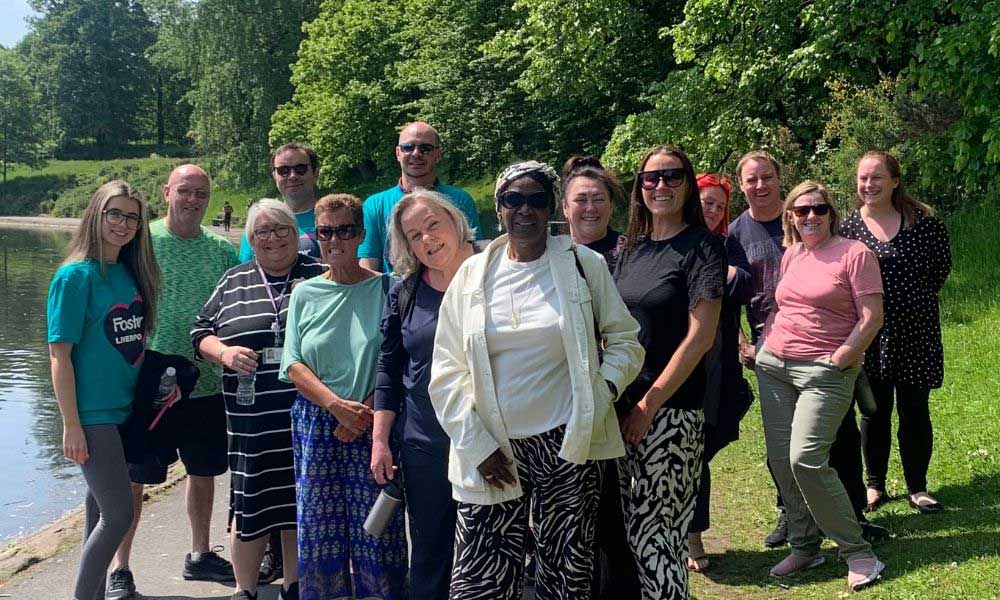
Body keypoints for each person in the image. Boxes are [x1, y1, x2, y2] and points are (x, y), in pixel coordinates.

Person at [429, 161, 643, 598]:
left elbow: (626, 342)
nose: (524, 210)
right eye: (513, 200)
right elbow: (446, 371)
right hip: (492, 447)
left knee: (565, 575)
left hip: (566, 444)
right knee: (479, 579)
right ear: (498, 208)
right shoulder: (471, 275)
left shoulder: (584, 264)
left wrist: (599, 395)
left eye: (536, 200)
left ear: (552, 209)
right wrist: (475, 444)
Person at [728, 151, 886, 548]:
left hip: (824, 361)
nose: (809, 215)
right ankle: (798, 524)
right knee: (783, 453)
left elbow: (870, 315)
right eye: (752, 179)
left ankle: (851, 520)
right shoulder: (746, 237)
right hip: (773, 353)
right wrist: (750, 345)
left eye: (817, 208)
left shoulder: (848, 250)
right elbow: (737, 295)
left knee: (835, 442)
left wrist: (843, 355)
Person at [108, 165, 239, 600]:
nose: (193, 199)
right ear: (167, 193)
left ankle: (199, 554)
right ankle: (120, 569)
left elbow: (234, 308)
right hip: (148, 383)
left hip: (205, 382)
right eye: (185, 191)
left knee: (203, 472)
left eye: (201, 192)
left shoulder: (222, 250)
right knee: (136, 478)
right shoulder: (141, 242)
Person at [192, 200, 327, 600]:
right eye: (263, 232)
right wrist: (225, 354)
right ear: (251, 239)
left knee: (298, 499)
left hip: (307, 413)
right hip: (250, 417)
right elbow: (200, 332)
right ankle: (244, 590)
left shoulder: (318, 275)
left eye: (281, 229)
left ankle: (295, 584)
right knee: (251, 500)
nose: (273, 238)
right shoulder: (234, 280)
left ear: (296, 234)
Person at [280, 194, 407, 600]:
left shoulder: (389, 288)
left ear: (361, 235)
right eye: (326, 232)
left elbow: (400, 361)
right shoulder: (304, 293)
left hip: (375, 423)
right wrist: (336, 407)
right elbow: (293, 363)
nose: (335, 240)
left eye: (345, 231)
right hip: (318, 423)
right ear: (315, 235)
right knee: (319, 531)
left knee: (378, 529)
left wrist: (363, 414)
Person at [613, 146, 726, 599]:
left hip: (670, 413)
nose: (660, 186)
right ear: (639, 187)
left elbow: (700, 337)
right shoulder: (631, 250)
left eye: (672, 177)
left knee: (657, 537)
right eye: (650, 178)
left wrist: (649, 404)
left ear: (687, 183)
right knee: (627, 532)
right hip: (621, 410)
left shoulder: (702, 247)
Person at [48, 180, 161, 600]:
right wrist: (70, 425)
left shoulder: (129, 274)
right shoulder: (75, 277)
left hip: (124, 413)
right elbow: (60, 357)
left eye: (132, 217)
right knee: (118, 515)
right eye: (114, 213)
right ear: (96, 215)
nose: (123, 224)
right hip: (92, 416)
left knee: (100, 513)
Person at [369, 189, 477, 600]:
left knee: (490, 550)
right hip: (426, 443)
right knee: (430, 553)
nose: (428, 240)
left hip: (493, 439)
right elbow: (389, 369)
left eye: (433, 225)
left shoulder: (498, 272)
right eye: (415, 235)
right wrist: (381, 441)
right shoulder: (406, 291)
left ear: (455, 220)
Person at [840, 151, 952, 514]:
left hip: (917, 332)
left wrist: (910, 303)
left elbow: (940, 270)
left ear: (895, 181)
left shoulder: (924, 223)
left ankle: (917, 486)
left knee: (915, 409)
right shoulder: (847, 229)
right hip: (870, 335)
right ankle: (875, 485)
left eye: (876, 178)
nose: (868, 185)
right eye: (863, 178)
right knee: (874, 411)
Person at [560, 155, 639, 599]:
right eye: (580, 200)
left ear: (613, 205)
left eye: (598, 199)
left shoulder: (629, 252)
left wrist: (610, 384)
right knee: (570, 515)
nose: (589, 208)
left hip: (619, 395)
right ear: (565, 206)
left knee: (614, 515)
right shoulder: (548, 254)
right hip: (559, 402)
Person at [687, 173, 755, 572]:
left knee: (703, 448)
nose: (711, 209)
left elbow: (745, 283)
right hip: (677, 359)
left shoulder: (727, 243)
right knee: (691, 453)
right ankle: (691, 538)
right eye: (704, 201)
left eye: (717, 204)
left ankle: (690, 532)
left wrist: (720, 269)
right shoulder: (672, 239)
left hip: (718, 364)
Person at [358, 121, 482, 272]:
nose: (416, 153)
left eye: (425, 148)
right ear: (398, 153)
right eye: (408, 148)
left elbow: (474, 257)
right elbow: (367, 267)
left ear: (438, 154)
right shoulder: (374, 205)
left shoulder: (460, 200)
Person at [239, 142, 323, 262]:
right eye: (284, 170)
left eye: (300, 169)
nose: (292, 176)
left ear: (316, 174)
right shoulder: (258, 224)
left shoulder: (335, 220)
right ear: (274, 176)